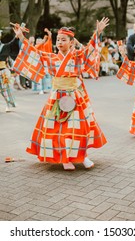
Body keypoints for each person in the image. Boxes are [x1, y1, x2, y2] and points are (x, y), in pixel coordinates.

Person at [13, 17, 109, 170]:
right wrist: (20, 36)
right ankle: (65, 158)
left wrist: (97, 32)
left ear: (71, 42)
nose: (59, 42)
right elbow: (33, 53)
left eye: (63, 40)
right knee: (57, 129)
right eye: (58, 40)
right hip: (56, 97)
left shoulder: (77, 56)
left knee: (80, 127)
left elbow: (90, 49)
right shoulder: (51, 57)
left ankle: (82, 156)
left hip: (75, 96)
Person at [0, 31, 19, 112]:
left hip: (3, 71)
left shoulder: (4, 47)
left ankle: (8, 104)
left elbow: (12, 43)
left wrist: (17, 36)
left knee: (5, 89)